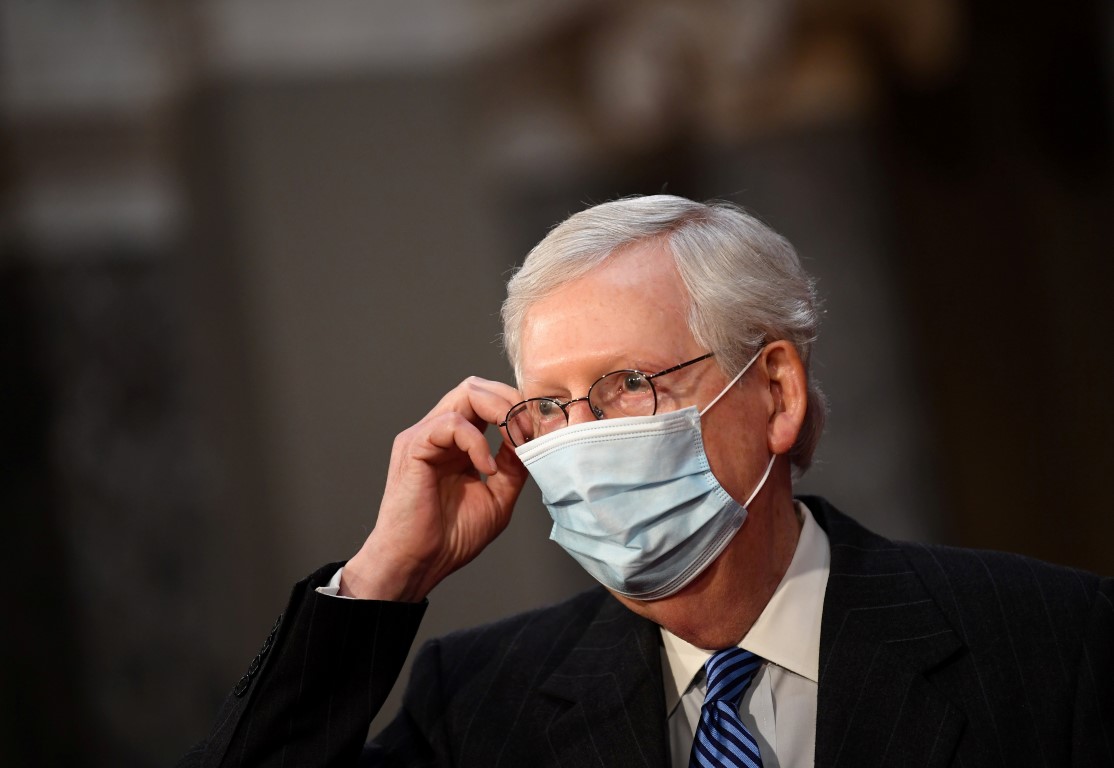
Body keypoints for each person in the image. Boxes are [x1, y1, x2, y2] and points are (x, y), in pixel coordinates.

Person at [181, 195, 1113, 768]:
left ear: (777, 392)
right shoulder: (480, 704)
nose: (580, 439)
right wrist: (386, 575)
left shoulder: (1054, 649)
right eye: (548, 406)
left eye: (625, 385)